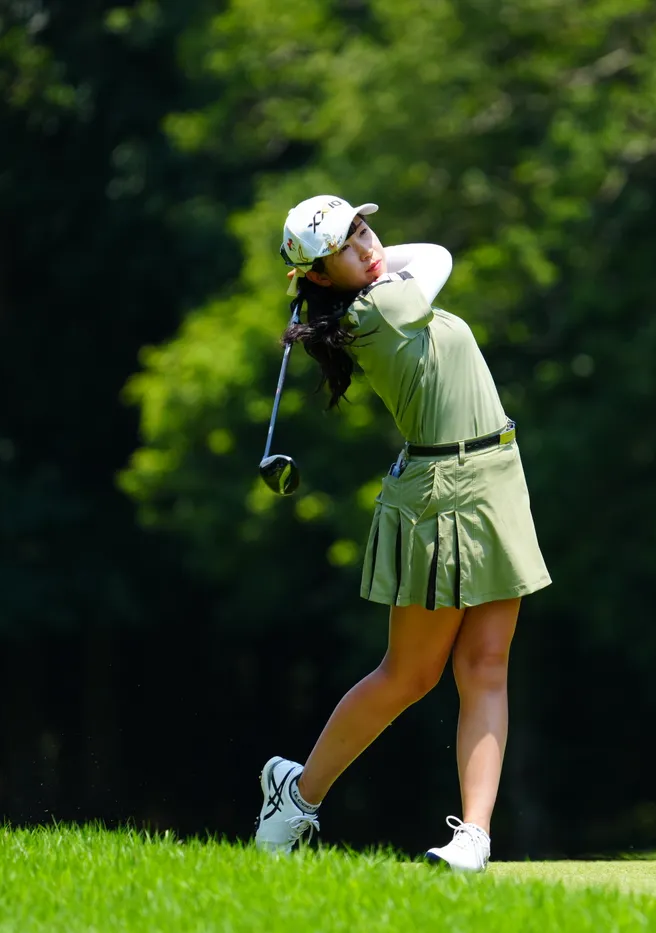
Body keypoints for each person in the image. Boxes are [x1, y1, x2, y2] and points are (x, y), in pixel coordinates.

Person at [252, 195, 551, 873]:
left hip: (496, 476)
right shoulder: (380, 307)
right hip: (439, 494)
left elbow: (408, 258)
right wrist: (327, 283)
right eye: (346, 247)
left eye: (364, 229)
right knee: (409, 675)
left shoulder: (371, 298)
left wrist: (323, 277)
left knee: (487, 666)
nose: (368, 246)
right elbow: (435, 256)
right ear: (320, 274)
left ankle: (474, 838)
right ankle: (297, 795)